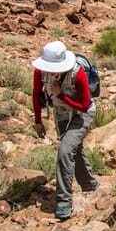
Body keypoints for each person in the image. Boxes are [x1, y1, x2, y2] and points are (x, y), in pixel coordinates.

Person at [31, 41, 99, 221]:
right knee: (73, 150)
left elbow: (85, 106)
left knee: (65, 151)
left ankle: (64, 202)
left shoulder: (78, 74)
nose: (52, 71)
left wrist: (60, 94)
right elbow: (36, 95)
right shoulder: (40, 72)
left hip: (81, 114)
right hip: (61, 113)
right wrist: (38, 121)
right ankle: (90, 184)